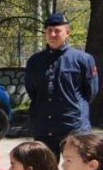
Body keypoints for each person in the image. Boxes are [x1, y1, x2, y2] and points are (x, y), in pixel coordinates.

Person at [26, 12, 99, 155]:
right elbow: (32, 90)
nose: (52, 34)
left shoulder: (83, 59)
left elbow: (91, 92)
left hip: (74, 127)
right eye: (49, 31)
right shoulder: (35, 61)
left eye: (57, 31)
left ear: (67, 32)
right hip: (44, 128)